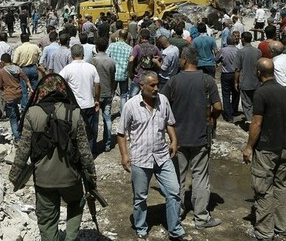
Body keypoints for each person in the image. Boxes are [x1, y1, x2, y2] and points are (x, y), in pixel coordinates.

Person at [9, 74, 96, 241]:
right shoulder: (75, 113)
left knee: (47, 218)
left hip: (43, 179)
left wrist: (14, 176)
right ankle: (71, 238)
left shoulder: (32, 113)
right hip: (71, 177)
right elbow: (85, 151)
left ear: (42, 91)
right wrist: (92, 178)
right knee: (76, 204)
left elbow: (23, 150)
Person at [118, 71, 190, 241]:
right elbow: (121, 133)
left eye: (157, 84)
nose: (156, 88)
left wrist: (174, 140)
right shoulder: (130, 105)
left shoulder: (163, 101)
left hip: (162, 156)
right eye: (152, 85)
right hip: (141, 158)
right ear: (142, 86)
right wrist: (124, 156)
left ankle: (175, 229)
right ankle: (141, 228)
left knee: (173, 192)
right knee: (140, 197)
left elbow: (169, 123)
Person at [162, 47, 222, 230]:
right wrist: (212, 119)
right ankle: (201, 218)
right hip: (201, 137)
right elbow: (218, 107)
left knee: (177, 178)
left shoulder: (174, 81)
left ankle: (176, 214)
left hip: (177, 139)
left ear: (185, 60)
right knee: (200, 177)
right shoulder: (207, 80)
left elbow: (162, 103)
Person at [242, 58, 286, 241]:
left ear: (258, 72)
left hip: (266, 149)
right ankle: (280, 228)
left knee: (263, 190)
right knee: (280, 188)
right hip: (282, 146)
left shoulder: (261, 93)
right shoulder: (284, 91)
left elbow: (256, 123)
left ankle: (264, 232)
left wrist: (249, 147)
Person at [60, 44, 100, 152]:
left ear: (71, 55)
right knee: (89, 131)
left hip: (74, 106)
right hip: (89, 104)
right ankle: (89, 153)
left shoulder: (67, 69)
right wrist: (97, 100)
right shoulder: (91, 67)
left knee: (74, 130)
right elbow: (97, 84)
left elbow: (58, 82)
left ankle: (77, 153)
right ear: (83, 54)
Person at [89, 37, 116, 152]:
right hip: (108, 93)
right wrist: (112, 91)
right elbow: (113, 78)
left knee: (95, 121)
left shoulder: (92, 61)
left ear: (96, 47)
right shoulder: (111, 61)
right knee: (107, 118)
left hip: (96, 95)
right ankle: (107, 144)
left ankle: (94, 145)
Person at [0, 53, 31, 141]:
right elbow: (26, 79)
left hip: (9, 96)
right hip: (18, 95)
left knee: (12, 118)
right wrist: (30, 88)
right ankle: (20, 129)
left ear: (3, 62)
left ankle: (17, 137)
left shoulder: (2, 71)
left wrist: (5, 89)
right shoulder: (17, 69)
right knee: (16, 111)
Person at [235, 32, 262, 123]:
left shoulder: (240, 52)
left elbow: (237, 69)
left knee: (247, 104)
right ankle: (256, 121)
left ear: (243, 39)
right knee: (256, 102)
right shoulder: (258, 52)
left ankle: (250, 121)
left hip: (244, 82)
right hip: (256, 81)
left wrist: (235, 82)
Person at [12, 33, 40, 110]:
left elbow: (14, 62)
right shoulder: (35, 47)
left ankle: (24, 108)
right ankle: (35, 104)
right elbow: (40, 55)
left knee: (24, 89)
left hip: (23, 69)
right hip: (33, 68)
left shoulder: (19, 49)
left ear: (21, 40)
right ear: (28, 39)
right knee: (35, 88)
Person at [107, 29, 132, 111]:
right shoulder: (129, 48)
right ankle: (123, 113)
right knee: (123, 94)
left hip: (113, 74)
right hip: (123, 74)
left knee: (111, 93)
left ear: (118, 36)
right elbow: (130, 61)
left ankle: (107, 110)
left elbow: (107, 57)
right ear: (126, 37)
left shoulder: (112, 46)